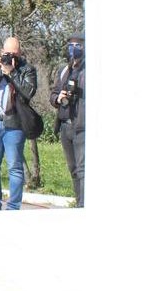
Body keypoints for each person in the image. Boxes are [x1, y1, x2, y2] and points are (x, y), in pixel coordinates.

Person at [0, 36, 37, 211]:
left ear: (20, 53)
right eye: (7, 53)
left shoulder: (27, 69)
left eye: (14, 54)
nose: (10, 57)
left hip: (15, 125)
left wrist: (12, 72)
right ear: (2, 52)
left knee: (14, 167)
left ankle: (13, 207)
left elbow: (28, 93)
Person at [50, 34, 87, 207]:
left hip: (82, 126)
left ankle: (83, 206)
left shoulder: (88, 71)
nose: (73, 49)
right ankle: (79, 201)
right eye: (70, 45)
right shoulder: (65, 70)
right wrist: (59, 98)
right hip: (65, 125)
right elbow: (53, 94)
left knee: (82, 169)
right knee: (73, 169)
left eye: (77, 45)